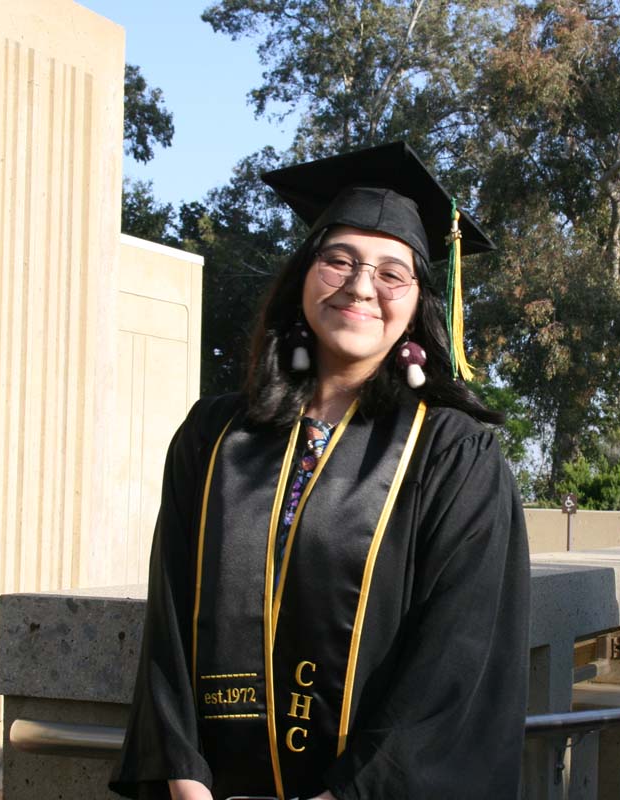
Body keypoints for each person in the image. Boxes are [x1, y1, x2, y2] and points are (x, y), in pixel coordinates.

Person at [109, 142, 530, 800]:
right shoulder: (213, 436)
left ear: (418, 305)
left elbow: (458, 654)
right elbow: (169, 617)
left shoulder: (452, 454)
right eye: (339, 260)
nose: (361, 286)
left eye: (392, 273)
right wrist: (185, 780)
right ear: (303, 276)